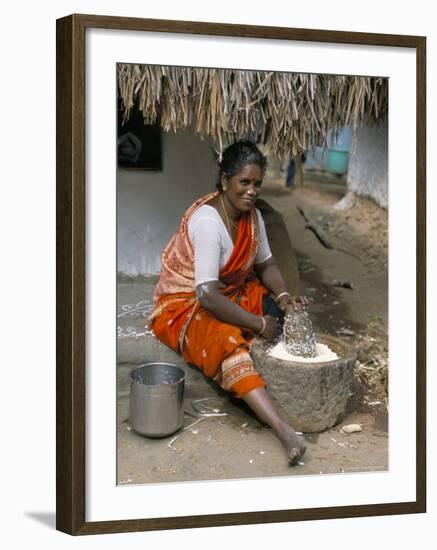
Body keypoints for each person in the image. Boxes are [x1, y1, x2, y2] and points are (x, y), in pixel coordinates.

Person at [148, 141, 308, 465]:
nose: (251, 191)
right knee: (227, 341)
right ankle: (283, 430)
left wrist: (284, 295)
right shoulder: (209, 223)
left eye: (257, 184)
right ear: (224, 181)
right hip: (188, 302)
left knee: (284, 312)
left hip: (230, 290)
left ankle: (268, 380)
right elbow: (206, 294)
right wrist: (258, 324)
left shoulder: (253, 217)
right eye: (244, 182)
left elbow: (266, 265)